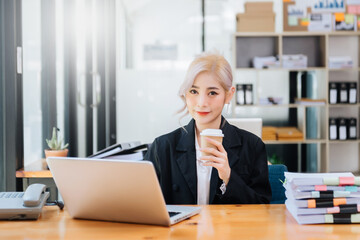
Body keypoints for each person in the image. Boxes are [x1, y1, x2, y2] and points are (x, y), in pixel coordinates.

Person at [144, 52, 271, 204]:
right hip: (180, 228)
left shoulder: (252, 146)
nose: (202, 102)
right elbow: (142, 203)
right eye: (194, 91)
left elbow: (263, 209)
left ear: (229, 95)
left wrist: (228, 177)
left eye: (212, 93)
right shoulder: (162, 147)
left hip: (229, 228)